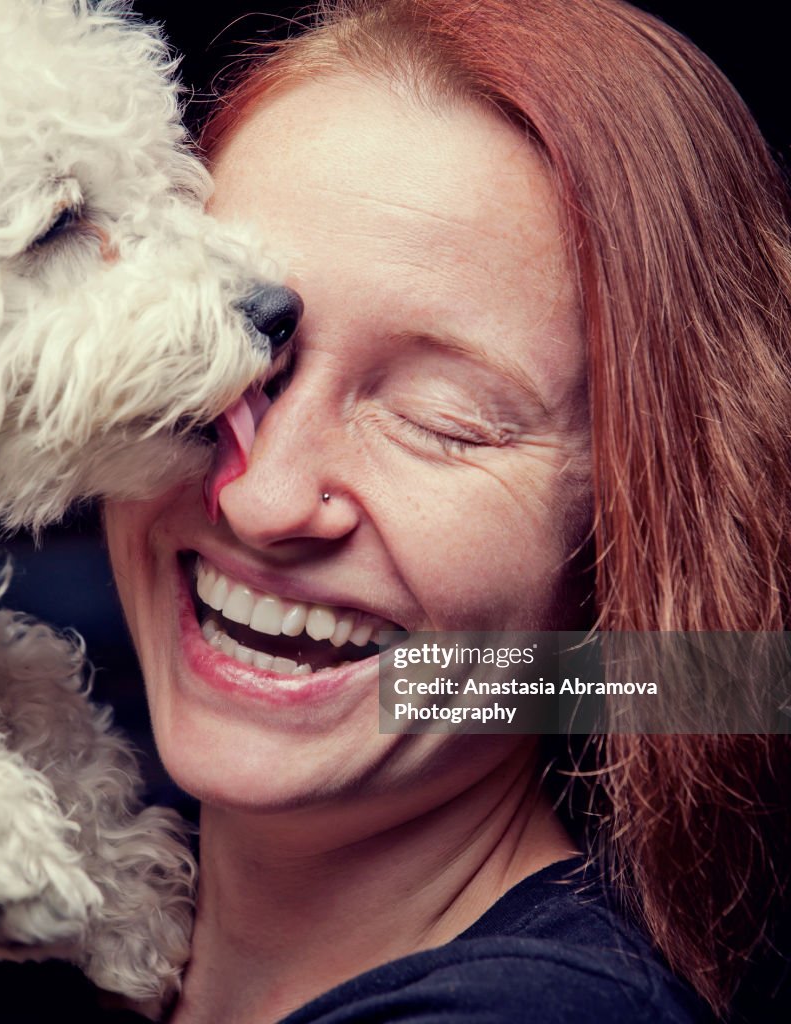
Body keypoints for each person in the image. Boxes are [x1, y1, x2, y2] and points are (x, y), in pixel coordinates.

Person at [102, 1, 791, 1022]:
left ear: (621, 534)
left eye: (442, 421)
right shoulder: (23, 922)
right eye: (233, 351)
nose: (262, 497)